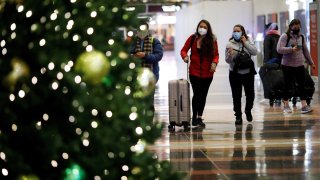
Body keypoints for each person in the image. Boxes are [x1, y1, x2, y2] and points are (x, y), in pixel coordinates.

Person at [180, 19, 219, 127]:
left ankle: (199, 117)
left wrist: (214, 63)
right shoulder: (192, 38)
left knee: (203, 95)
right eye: (201, 26)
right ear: (198, 27)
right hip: (194, 72)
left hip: (208, 74)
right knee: (197, 94)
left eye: (205, 27)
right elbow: (183, 50)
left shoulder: (212, 40)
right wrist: (185, 57)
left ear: (208, 29)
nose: (202, 28)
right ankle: (194, 117)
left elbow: (216, 55)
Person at [276, 18, 315, 114]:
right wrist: (291, 49)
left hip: (299, 65)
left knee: (302, 85)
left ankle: (304, 105)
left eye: (298, 27)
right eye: (295, 28)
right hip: (287, 65)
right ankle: (285, 104)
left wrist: (311, 62)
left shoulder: (301, 37)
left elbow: (305, 50)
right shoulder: (285, 36)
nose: (297, 29)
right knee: (288, 85)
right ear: (290, 27)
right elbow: (279, 49)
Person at [225, 24, 257, 125]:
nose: (236, 33)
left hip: (248, 73)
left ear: (242, 32)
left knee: (250, 94)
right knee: (236, 96)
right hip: (235, 73)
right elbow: (227, 60)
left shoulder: (249, 40)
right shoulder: (229, 44)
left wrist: (245, 42)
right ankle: (238, 115)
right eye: (234, 31)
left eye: (238, 31)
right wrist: (229, 55)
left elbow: (255, 52)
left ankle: (248, 110)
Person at [130, 22, 163, 111]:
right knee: (137, 102)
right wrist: (133, 56)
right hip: (135, 76)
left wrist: (145, 56)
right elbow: (127, 54)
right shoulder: (133, 42)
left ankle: (149, 123)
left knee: (149, 103)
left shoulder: (154, 41)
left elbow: (158, 56)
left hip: (150, 76)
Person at [259, 22, 282, 106]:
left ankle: (269, 98)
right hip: (279, 63)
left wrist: (265, 63)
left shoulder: (268, 37)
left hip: (271, 63)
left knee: (269, 80)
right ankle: (279, 98)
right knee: (278, 80)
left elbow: (267, 52)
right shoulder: (280, 37)